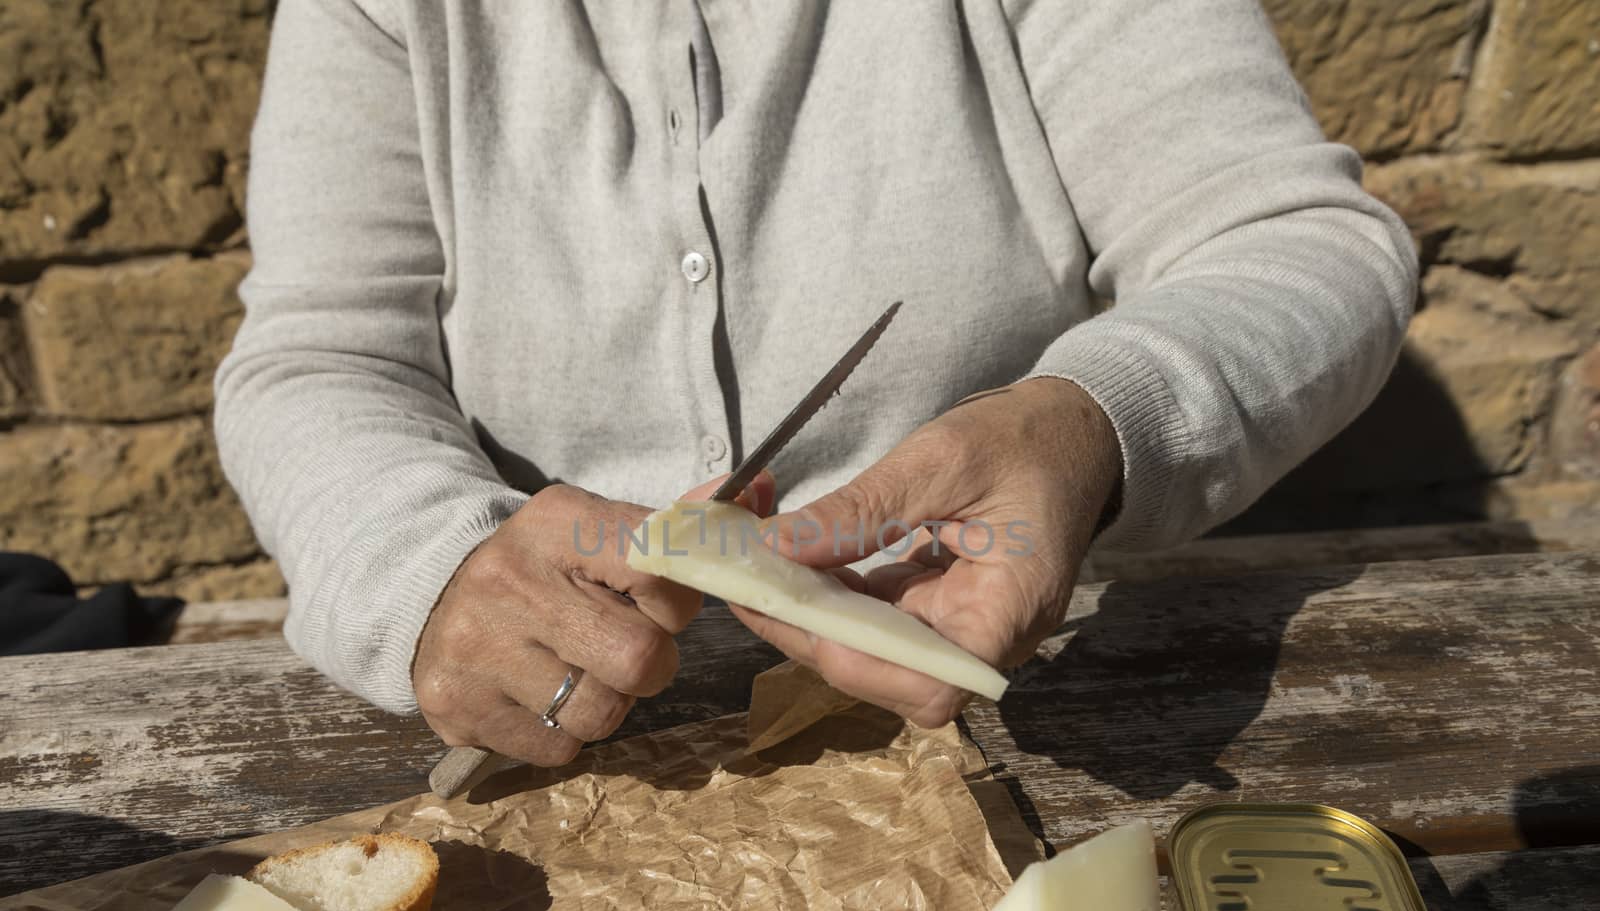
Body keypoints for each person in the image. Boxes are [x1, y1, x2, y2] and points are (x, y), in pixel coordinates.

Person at [215, 0, 1418, 768]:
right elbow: (321, 356)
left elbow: (1301, 242)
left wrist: (1091, 422)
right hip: (554, 746)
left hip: (1024, 717)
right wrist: (423, 565)